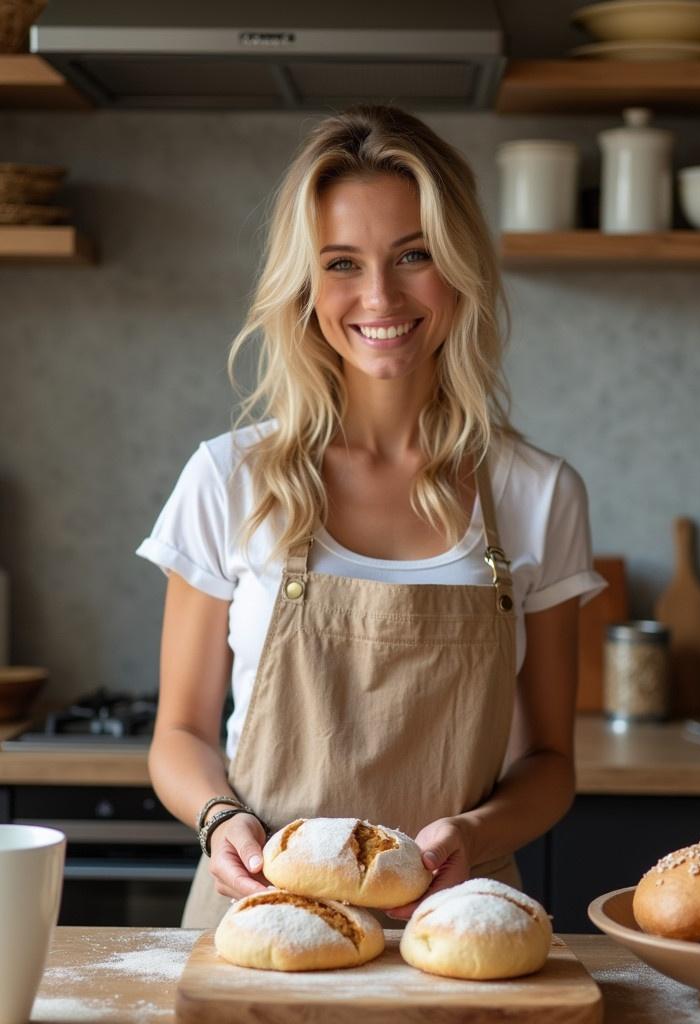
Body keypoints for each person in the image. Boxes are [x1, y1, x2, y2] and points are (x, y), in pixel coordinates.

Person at [137, 105, 606, 929]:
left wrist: (477, 829)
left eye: (413, 255)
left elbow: (550, 763)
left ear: (459, 267)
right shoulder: (229, 478)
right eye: (342, 263)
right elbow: (177, 731)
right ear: (305, 284)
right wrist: (220, 819)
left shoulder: (537, 492)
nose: (380, 295)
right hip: (259, 913)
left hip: (457, 918)